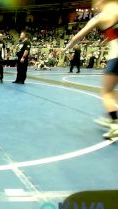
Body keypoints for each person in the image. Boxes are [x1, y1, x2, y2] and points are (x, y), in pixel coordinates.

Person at [63, 0, 118, 139]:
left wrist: (66, 48)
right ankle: (113, 117)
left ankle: (115, 123)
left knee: (107, 93)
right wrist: (106, 40)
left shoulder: (101, 17)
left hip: (116, 57)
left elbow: (79, 36)